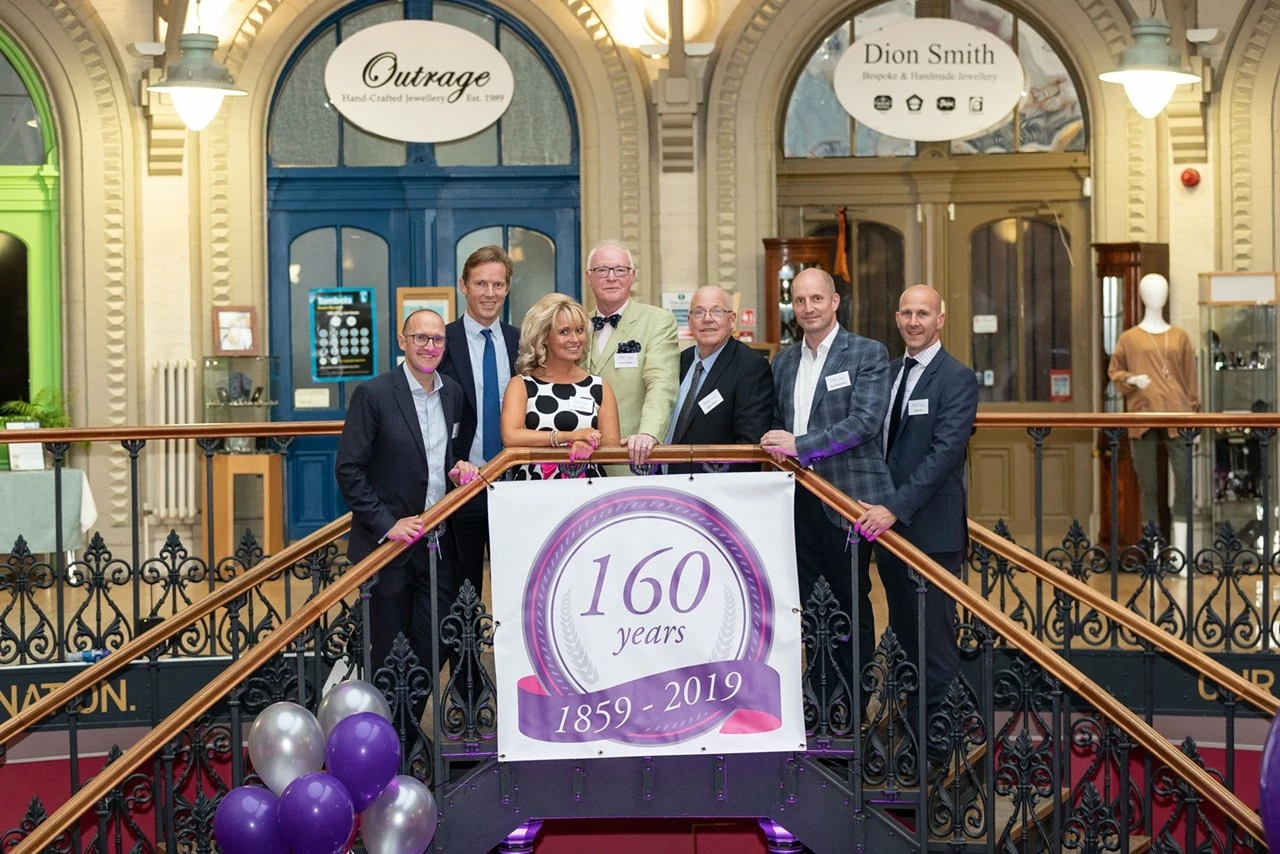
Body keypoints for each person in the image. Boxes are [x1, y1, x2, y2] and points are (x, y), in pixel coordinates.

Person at [854, 284, 979, 773]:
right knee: (905, 642)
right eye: (905, 312)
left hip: (930, 535)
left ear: (940, 319)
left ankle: (936, 756)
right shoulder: (885, 375)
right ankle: (910, 739)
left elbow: (943, 456)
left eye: (922, 313)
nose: (912, 321)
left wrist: (893, 508)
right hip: (887, 536)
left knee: (936, 649)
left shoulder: (957, 379)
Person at [761, 267, 893, 693]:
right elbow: (777, 424)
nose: (807, 308)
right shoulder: (781, 362)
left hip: (847, 498)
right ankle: (818, 693)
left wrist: (801, 445)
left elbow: (866, 422)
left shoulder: (867, 353)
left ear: (835, 302)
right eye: (799, 301)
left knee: (850, 599)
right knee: (808, 603)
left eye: (816, 299)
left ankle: (854, 697)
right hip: (796, 500)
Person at [335, 309, 479, 679]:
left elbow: (447, 452)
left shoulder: (453, 394)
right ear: (403, 341)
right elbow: (349, 469)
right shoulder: (373, 394)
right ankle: (396, 734)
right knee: (388, 651)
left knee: (436, 640)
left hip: (436, 542)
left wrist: (459, 465)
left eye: (437, 339)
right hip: (389, 548)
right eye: (420, 338)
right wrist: (387, 524)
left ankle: (409, 723)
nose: (429, 346)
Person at [438, 245, 520, 600]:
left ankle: (512, 658)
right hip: (462, 483)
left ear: (507, 288)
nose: (490, 293)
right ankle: (465, 658)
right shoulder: (440, 342)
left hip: (516, 483)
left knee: (516, 583)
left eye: (498, 285)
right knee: (463, 587)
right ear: (463, 286)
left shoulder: (524, 342)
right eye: (481, 284)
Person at [1107, 273, 1198, 540]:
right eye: (1151, 290)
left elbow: (1190, 378)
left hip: (1178, 414)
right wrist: (1132, 379)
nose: (1157, 295)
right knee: (1148, 484)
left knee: (1184, 479)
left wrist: (1194, 411)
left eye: (1161, 290)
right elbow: (1115, 372)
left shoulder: (1180, 337)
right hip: (1142, 414)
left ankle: (1181, 549)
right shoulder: (1129, 338)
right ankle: (1154, 552)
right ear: (1142, 295)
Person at [502, 293, 622, 480]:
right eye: (564, 332)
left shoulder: (599, 386)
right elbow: (511, 437)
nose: (575, 339)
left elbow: (612, 447)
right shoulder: (522, 385)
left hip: (587, 492)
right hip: (534, 489)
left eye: (580, 330)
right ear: (543, 337)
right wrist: (569, 437)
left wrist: (590, 446)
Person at [583, 240, 679, 468]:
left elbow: (661, 384)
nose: (611, 277)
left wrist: (648, 435)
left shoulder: (657, 321)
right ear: (589, 277)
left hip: (631, 456)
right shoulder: (578, 325)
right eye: (602, 270)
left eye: (620, 270)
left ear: (632, 276)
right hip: (579, 462)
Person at [666, 286, 774, 474]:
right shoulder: (679, 361)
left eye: (717, 311)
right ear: (690, 321)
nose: (707, 319)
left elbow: (750, 447)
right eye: (699, 312)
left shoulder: (751, 367)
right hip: (666, 487)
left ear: (732, 320)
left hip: (713, 492)